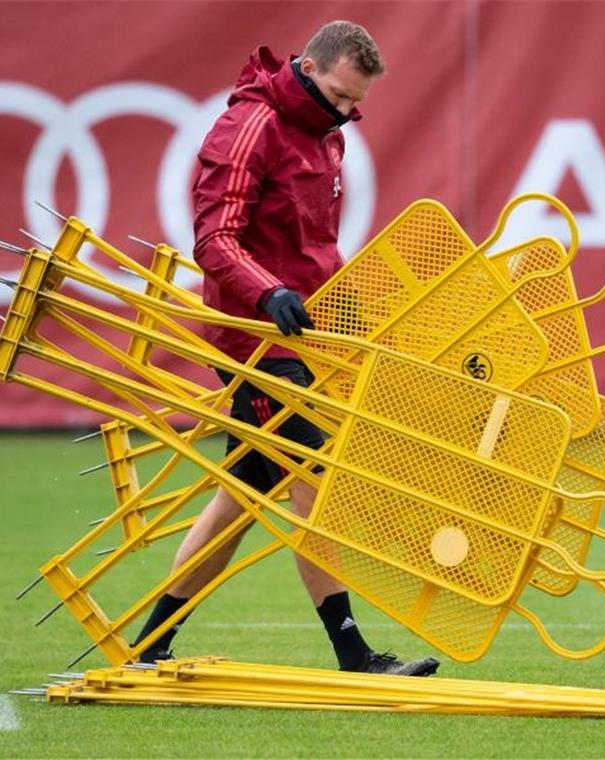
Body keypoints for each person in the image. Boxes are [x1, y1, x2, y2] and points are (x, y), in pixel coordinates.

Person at [132, 20, 440, 677]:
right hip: (256, 339)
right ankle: (353, 653)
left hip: (302, 334)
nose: (347, 114)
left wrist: (342, 306)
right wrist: (269, 294)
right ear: (309, 70)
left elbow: (312, 247)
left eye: (356, 104)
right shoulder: (252, 125)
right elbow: (215, 238)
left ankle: (148, 645)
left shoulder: (327, 133)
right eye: (338, 97)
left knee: (241, 495)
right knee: (313, 481)